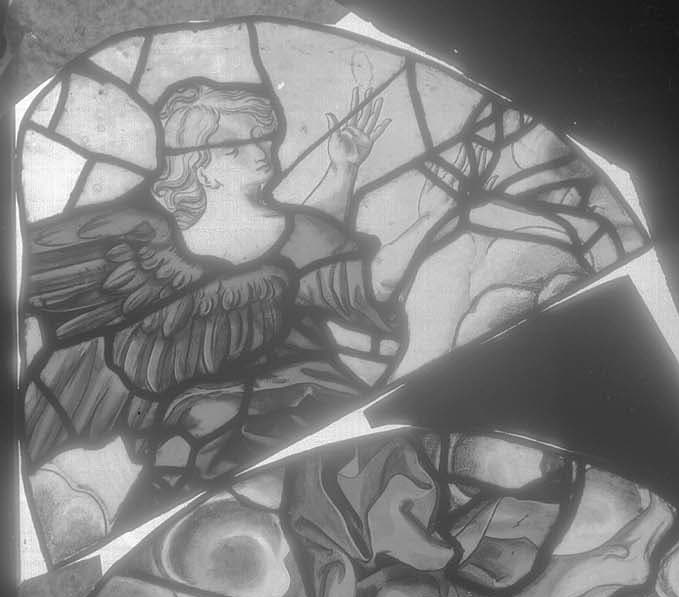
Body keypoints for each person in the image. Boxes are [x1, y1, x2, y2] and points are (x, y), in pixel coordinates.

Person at [22, 79, 438, 555]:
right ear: (201, 165)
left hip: (298, 407)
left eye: (263, 137)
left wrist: (411, 204)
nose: (262, 150)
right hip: (189, 435)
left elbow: (350, 279)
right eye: (238, 146)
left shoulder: (299, 232)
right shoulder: (143, 243)